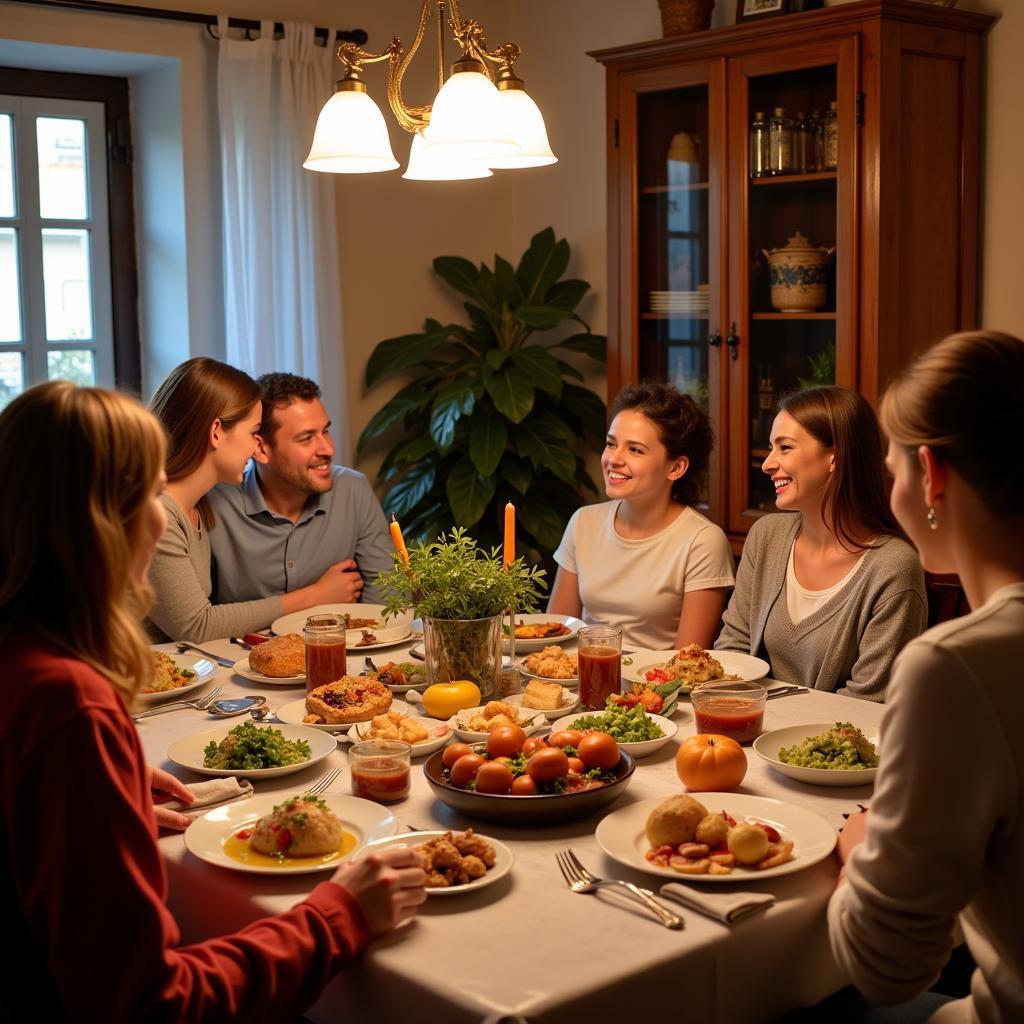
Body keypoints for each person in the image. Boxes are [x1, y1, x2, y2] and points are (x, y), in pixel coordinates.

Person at [0, 381, 426, 1022]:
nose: (162, 515)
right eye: (148, 491)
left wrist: (110, 787)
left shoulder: (26, 663)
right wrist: (337, 917)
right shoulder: (71, 704)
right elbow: (149, 1001)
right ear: (100, 519)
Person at [826, 330, 1024, 1022]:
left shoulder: (956, 665)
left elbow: (887, 967)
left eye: (891, 467)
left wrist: (860, 848)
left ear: (932, 477)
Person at [715, 385, 926, 700]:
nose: (767, 464)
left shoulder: (893, 567)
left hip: (834, 744)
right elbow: (732, 654)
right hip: (747, 727)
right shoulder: (766, 536)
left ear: (834, 458)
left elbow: (868, 703)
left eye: (785, 448)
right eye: (771, 448)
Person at [145, 358, 358, 642]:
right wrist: (314, 596)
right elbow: (196, 626)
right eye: (254, 432)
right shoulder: (156, 513)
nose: (257, 446)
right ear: (217, 432)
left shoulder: (197, 506)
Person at [548, 381, 734, 650]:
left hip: (658, 688)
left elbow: (688, 664)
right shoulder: (583, 523)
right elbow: (557, 636)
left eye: (635, 450)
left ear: (676, 467)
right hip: (582, 679)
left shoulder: (703, 542)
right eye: (611, 444)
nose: (614, 459)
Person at [206, 372, 394, 607]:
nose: (328, 449)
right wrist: (316, 596)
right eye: (306, 438)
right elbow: (199, 619)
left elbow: (389, 594)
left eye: (325, 431)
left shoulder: (353, 489)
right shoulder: (215, 504)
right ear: (261, 449)